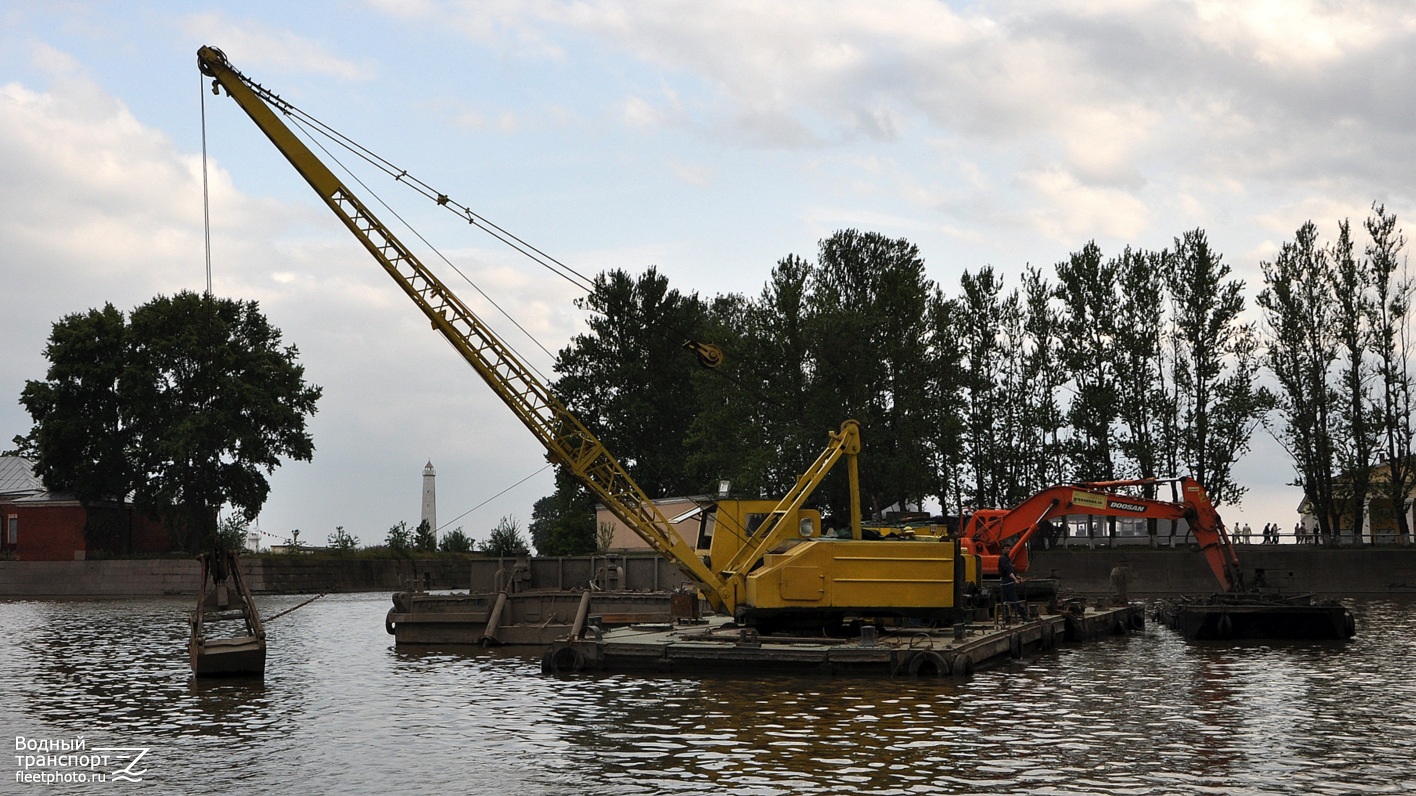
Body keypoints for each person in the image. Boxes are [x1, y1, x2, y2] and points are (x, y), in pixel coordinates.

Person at [998, 547, 1026, 621]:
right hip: (1007, 582)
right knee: (1014, 599)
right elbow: (1008, 571)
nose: (1009, 550)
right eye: (1006, 548)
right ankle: (1024, 616)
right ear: (1003, 550)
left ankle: (1008, 617)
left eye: (1009, 549)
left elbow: (1011, 570)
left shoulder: (1007, 559)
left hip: (1009, 581)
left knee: (1007, 599)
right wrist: (1015, 579)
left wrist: (1017, 576)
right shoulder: (1003, 559)